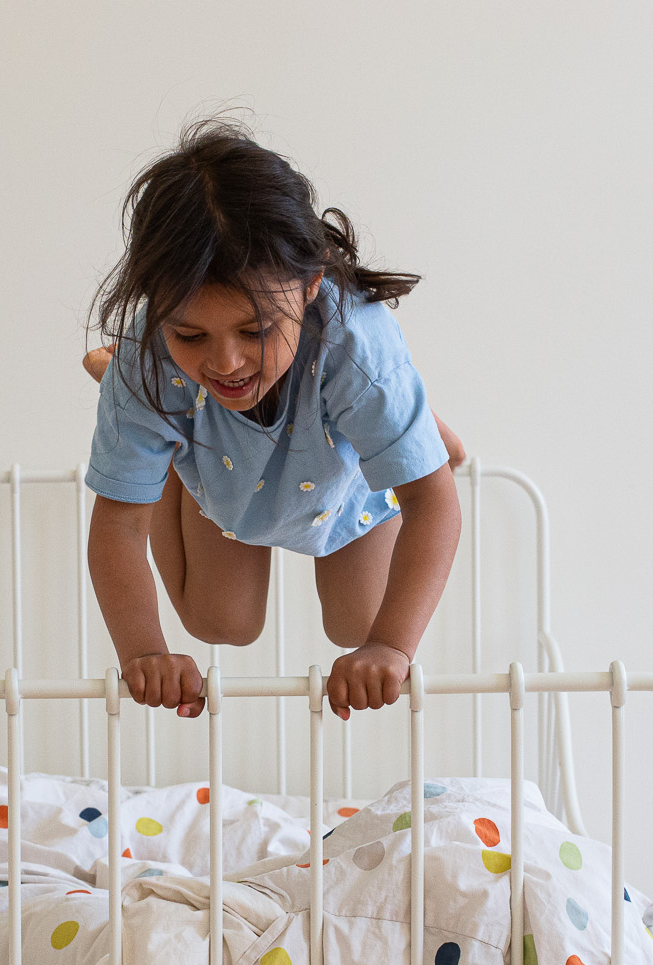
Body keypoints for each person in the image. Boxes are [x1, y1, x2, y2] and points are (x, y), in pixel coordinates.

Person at [84, 119, 466, 721]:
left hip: (339, 470)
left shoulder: (355, 344)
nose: (227, 361)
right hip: (220, 463)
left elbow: (435, 501)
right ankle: (165, 451)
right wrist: (145, 654)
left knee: (360, 624)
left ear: (311, 285)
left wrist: (390, 647)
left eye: (255, 331)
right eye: (189, 334)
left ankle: (404, 423)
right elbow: (118, 526)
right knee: (221, 624)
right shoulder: (146, 361)